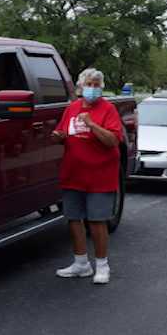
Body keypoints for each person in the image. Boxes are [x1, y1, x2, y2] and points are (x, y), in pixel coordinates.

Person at [51, 67, 124, 285]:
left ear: (101, 88)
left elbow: (113, 140)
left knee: (97, 220)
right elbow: (63, 132)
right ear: (81, 87)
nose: (92, 89)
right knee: (74, 219)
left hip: (100, 175)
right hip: (74, 174)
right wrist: (58, 136)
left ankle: (102, 266)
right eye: (88, 85)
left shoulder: (108, 110)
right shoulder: (72, 108)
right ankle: (81, 264)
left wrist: (91, 124)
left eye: (96, 85)